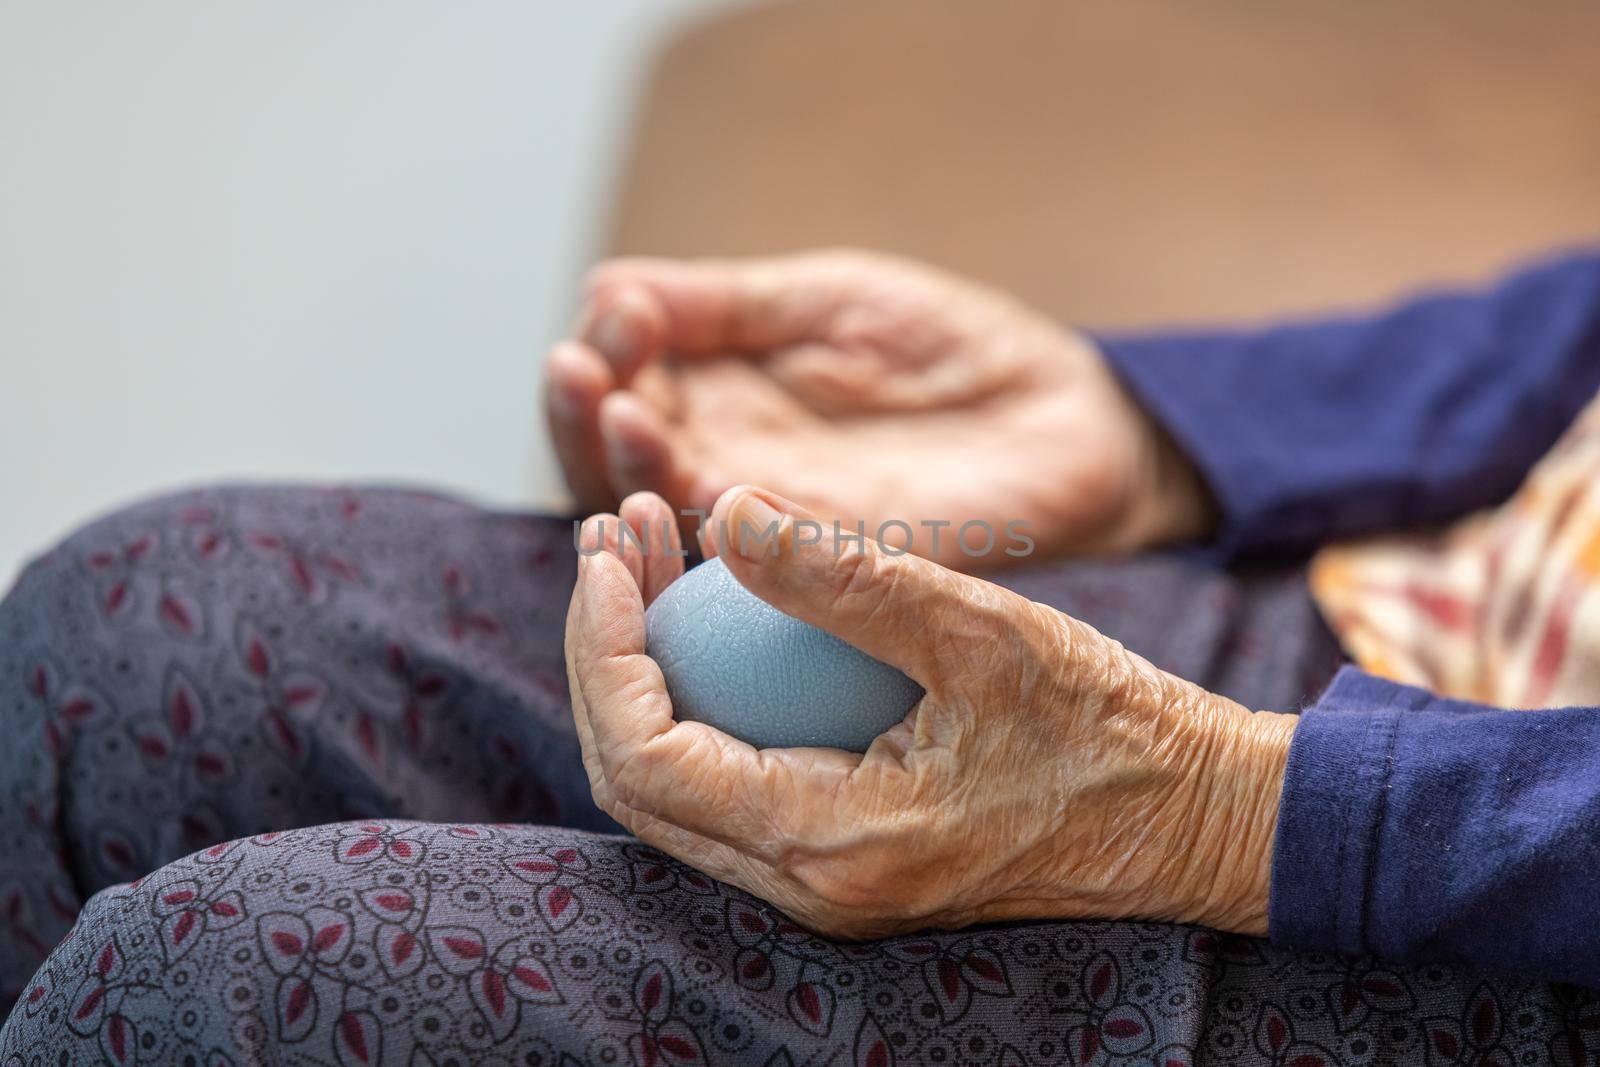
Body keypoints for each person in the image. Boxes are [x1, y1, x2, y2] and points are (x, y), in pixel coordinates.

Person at [0, 247, 1596, 1063]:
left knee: (233, 991)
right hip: (1377, 640)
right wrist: (1159, 435)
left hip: (1483, 922)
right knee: (144, 626)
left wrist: (1233, 813)